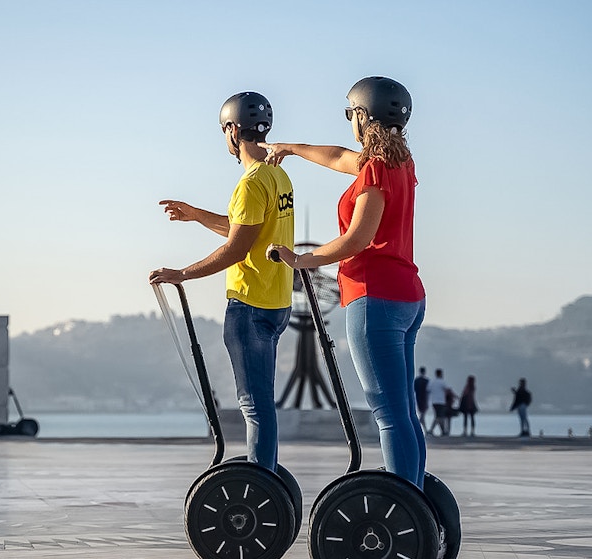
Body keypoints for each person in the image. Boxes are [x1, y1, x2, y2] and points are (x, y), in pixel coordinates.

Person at [264, 76, 428, 488]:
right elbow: (337, 156)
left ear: (361, 116)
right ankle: (416, 496)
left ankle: (405, 506)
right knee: (404, 411)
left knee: (388, 414)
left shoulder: (375, 169)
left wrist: (302, 259)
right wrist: (289, 149)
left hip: (375, 298)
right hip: (407, 296)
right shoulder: (398, 163)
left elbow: (358, 238)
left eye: (350, 114)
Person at [150, 92, 295, 471]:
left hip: (249, 305)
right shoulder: (278, 176)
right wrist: (196, 214)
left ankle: (262, 480)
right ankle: (267, 476)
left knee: (254, 405)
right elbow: (244, 230)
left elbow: (236, 249)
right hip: (277, 302)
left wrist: (181, 274)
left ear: (232, 130)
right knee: (263, 402)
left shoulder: (250, 183)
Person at [426, 368, 451, 437]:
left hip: (434, 401)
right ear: (440, 374)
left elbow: (428, 390)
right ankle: (432, 430)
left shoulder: (432, 382)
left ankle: (442, 431)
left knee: (438, 416)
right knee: (440, 417)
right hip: (441, 401)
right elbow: (448, 390)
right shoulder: (442, 382)